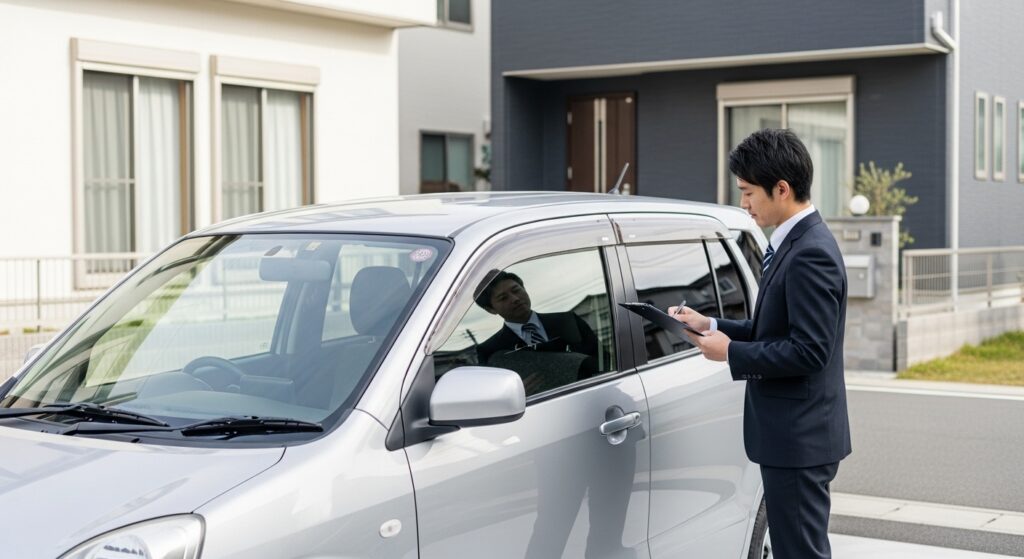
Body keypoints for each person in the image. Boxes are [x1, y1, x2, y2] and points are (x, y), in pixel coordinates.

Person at [671, 128, 851, 559]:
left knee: (800, 552)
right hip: (795, 434)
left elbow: (809, 351)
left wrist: (729, 353)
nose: (744, 204)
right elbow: (776, 330)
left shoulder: (811, 252)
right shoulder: (794, 242)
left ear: (782, 189)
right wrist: (712, 323)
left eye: (749, 192)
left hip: (799, 438)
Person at [473, 270, 600, 393]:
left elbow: (603, 360)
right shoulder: (490, 350)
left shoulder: (568, 321)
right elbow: (496, 393)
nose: (515, 299)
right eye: (503, 298)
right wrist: (515, 391)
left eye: (516, 290)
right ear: (490, 309)